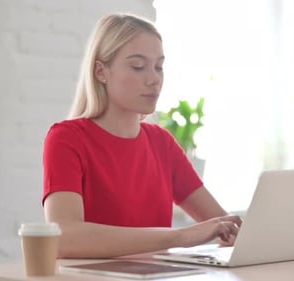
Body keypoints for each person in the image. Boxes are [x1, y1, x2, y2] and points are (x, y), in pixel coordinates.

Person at [42, 13, 241, 259]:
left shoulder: (161, 142)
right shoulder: (67, 138)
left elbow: (224, 226)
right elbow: (64, 237)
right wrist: (179, 237)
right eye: (138, 67)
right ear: (100, 72)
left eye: (159, 67)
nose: (154, 79)